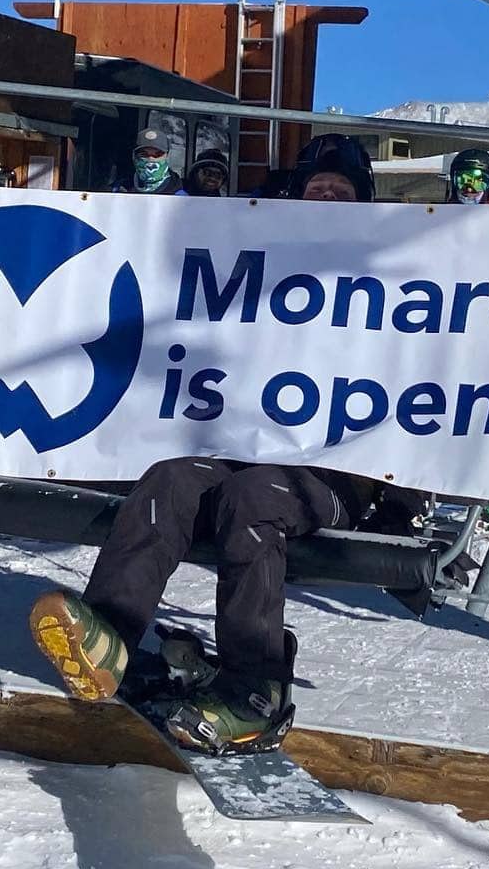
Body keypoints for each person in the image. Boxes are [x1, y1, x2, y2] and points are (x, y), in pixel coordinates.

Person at [29, 133, 424, 752]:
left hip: (337, 466)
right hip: (246, 437)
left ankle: (254, 685)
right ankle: (113, 632)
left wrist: (405, 501)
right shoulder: (264, 262)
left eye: (340, 192)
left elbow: (439, 381)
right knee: (170, 479)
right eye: (316, 189)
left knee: (252, 498)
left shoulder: (396, 279)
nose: (325, 199)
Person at [113, 126, 182, 195]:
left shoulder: (180, 197)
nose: (151, 159)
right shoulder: (118, 189)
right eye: (143, 154)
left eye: (158, 154)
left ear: (166, 156)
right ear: (134, 157)